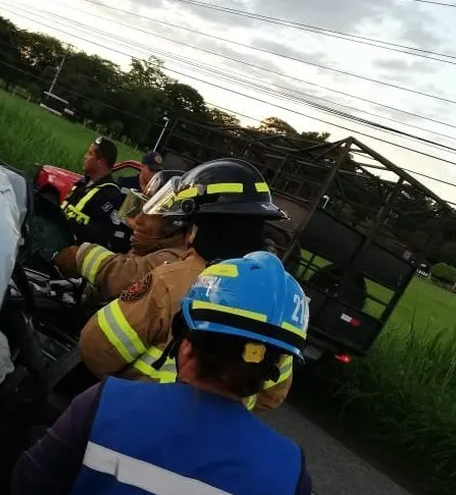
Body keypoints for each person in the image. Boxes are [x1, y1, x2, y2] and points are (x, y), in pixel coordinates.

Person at [11, 251, 313, 495]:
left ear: (185, 343)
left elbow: (28, 483)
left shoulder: (106, 403)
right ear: (274, 367)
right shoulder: (290, 472)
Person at [77, 158, 295, 411]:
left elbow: (96, 349)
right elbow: (272, 395)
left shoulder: (174, 280)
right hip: (211, 436)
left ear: (200, 225)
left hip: (138, 416)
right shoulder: (281, 297)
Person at [53, 170, 190, 301]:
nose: (138, 220)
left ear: (174, 225)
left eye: (150, 215)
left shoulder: (174, 259)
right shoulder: (148, 249)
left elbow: (127, 276)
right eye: (141, 208)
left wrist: (80, 255)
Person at [59, 136, 128, 252]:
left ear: (101, 162)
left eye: (90, 154)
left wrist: (67, 223)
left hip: (73, 255)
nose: (85, 156)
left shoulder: (111, 196)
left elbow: (99, 236)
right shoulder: (84, 181)